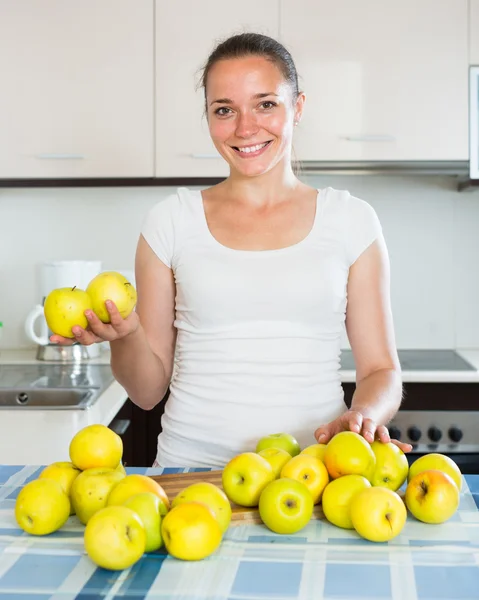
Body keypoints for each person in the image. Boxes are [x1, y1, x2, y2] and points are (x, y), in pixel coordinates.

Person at [51, 32, 411, 468]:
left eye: (265, 104)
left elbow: (381, 372)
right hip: (190, 475)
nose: (245, 128)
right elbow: (147, 392)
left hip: (313, 473)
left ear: (297, 107)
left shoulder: (352, 221)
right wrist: (126, 337)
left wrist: (363, 416)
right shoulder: (170, 222)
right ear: (208, 118)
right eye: (225, 110)